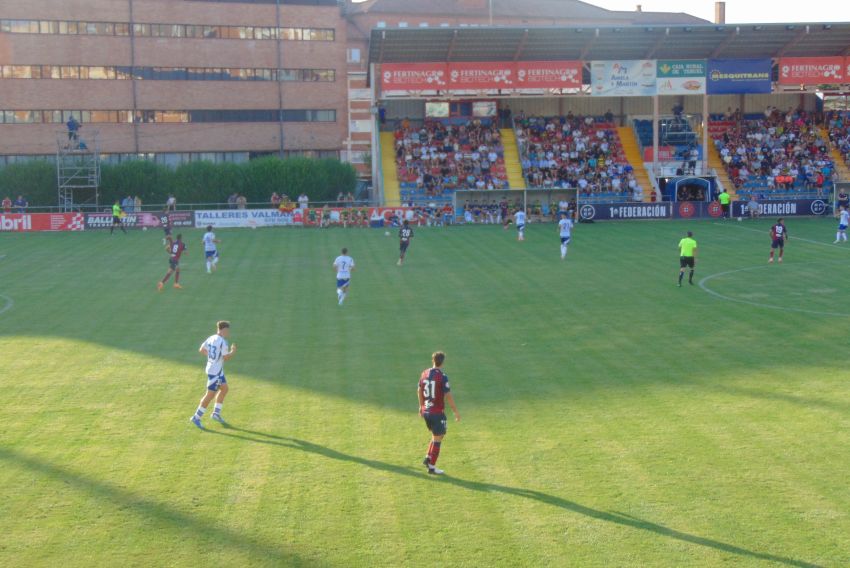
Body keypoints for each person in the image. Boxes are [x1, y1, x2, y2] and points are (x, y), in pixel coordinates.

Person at [417, 351, 461, 476]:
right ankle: (432, 467)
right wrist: (456, 412)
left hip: (427, 411)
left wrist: (421, 406)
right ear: (442, 362)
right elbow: (448, 396)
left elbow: (419, 390)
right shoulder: (442, 376)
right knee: (438, 438)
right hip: (437, 413)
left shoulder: (424, 373)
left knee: (437, 435)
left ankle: (427, 458)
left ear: (433, 360)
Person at [189, 321, 237, 429]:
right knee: (210, 395)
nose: (228, 333)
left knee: (224, 389)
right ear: (223, 330)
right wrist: (233, 351)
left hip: (216, 371)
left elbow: (201, 349)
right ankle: (196, 417)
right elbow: (226, 357)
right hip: (215, 373)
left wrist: (211, 357)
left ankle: (216, 414)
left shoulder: (211, 338)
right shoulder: (223, 342)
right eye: (228, 330)